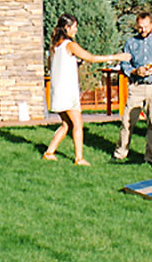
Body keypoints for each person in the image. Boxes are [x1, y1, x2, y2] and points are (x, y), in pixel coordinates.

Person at [43, 13, 129, 166]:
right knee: (78, 124)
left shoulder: (55, 46)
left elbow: (56, 65)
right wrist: (116, 57)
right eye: (74, 27)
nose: (76, 30)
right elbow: (91, 58)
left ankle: (49, 153)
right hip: (67, 92)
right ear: (67, 28)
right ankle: (79, 158)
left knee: (66, 124)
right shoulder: (70, 45)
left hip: (58, 91)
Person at [113, 11, 152, 164]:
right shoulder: (131, 43)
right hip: (137, 86)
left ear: (151, 25)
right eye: (140, 27)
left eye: (146, 27)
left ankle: (150, 157)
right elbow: (125, 65)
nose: (143, 30)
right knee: (127, 121)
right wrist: (135, 71)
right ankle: (121, 152)